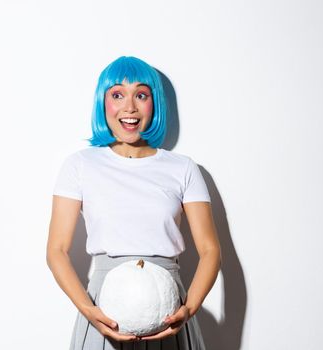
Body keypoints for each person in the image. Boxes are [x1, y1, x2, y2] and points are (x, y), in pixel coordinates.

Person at [47, 56, 221, 350]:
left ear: (155, 103)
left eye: (141, 95)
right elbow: (56, 250)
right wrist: (88, 310)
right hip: (104, 309)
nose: (129, 107)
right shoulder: (79, 165)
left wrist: (188, 309)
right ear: (103, 103)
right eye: (117, 95)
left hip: (168, 311)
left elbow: (210, 250)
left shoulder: (183, 168)